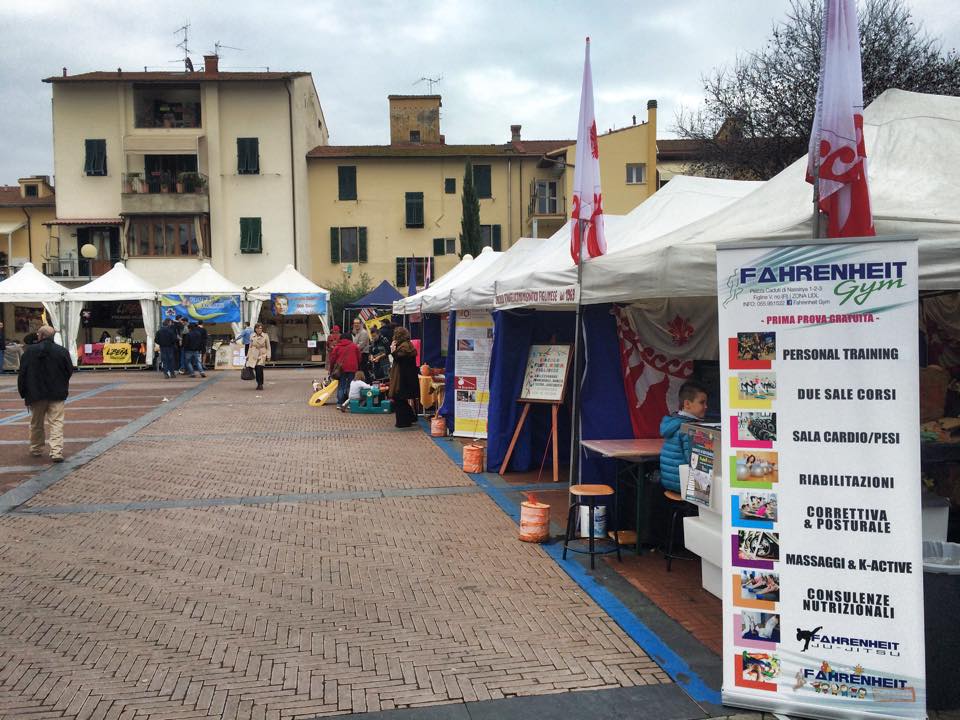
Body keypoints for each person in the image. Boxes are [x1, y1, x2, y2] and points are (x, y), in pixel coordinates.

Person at [17, 325, 73, 462]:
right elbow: (69, 371)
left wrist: (23, 392)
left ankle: (36, 448)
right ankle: (56, 451)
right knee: (57, 422)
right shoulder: (62, 351)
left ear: (40, 336)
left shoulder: (29, 352)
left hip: (35, 393)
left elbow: (22, 374)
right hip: (57, 392)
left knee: (36, 423)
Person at [659, 380, 708, 492]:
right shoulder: (689, 429)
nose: (706, 406)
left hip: (669, 482)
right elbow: (694, 462)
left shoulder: (673, 423)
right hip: (684, 485)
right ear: (687, 404)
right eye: (702, 402)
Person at [388, 326, 419, 428]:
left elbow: (399, 358)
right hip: (408, 377)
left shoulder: (403, 347)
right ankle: (410, 417)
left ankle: (403, 421)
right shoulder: (408, 345)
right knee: (401, 399)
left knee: (399, 399)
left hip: (402, 377)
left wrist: (393, 351)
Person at [328, 333, 361, 407]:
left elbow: (332, 359)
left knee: (341, 385)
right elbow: (359, 357)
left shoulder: (337, 347)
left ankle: (340, 403)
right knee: (351, 385)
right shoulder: (354, 346)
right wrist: (357, 365)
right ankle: (349, 403)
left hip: (341, 369)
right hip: (352, 368)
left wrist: (331, 369)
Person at [245, 322, 271, 390]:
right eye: (258, 328)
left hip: (262, 354)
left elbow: (268, 347)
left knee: (260, 369)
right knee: (256, 369)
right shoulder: (252, 335)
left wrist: (268, 356)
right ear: (255, 329)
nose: (259, 329)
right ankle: (258, 383)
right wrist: (247, 356)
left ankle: (260, 384)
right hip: (253, 354)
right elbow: (250, 346)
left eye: (261, 328)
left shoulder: (265, 335)